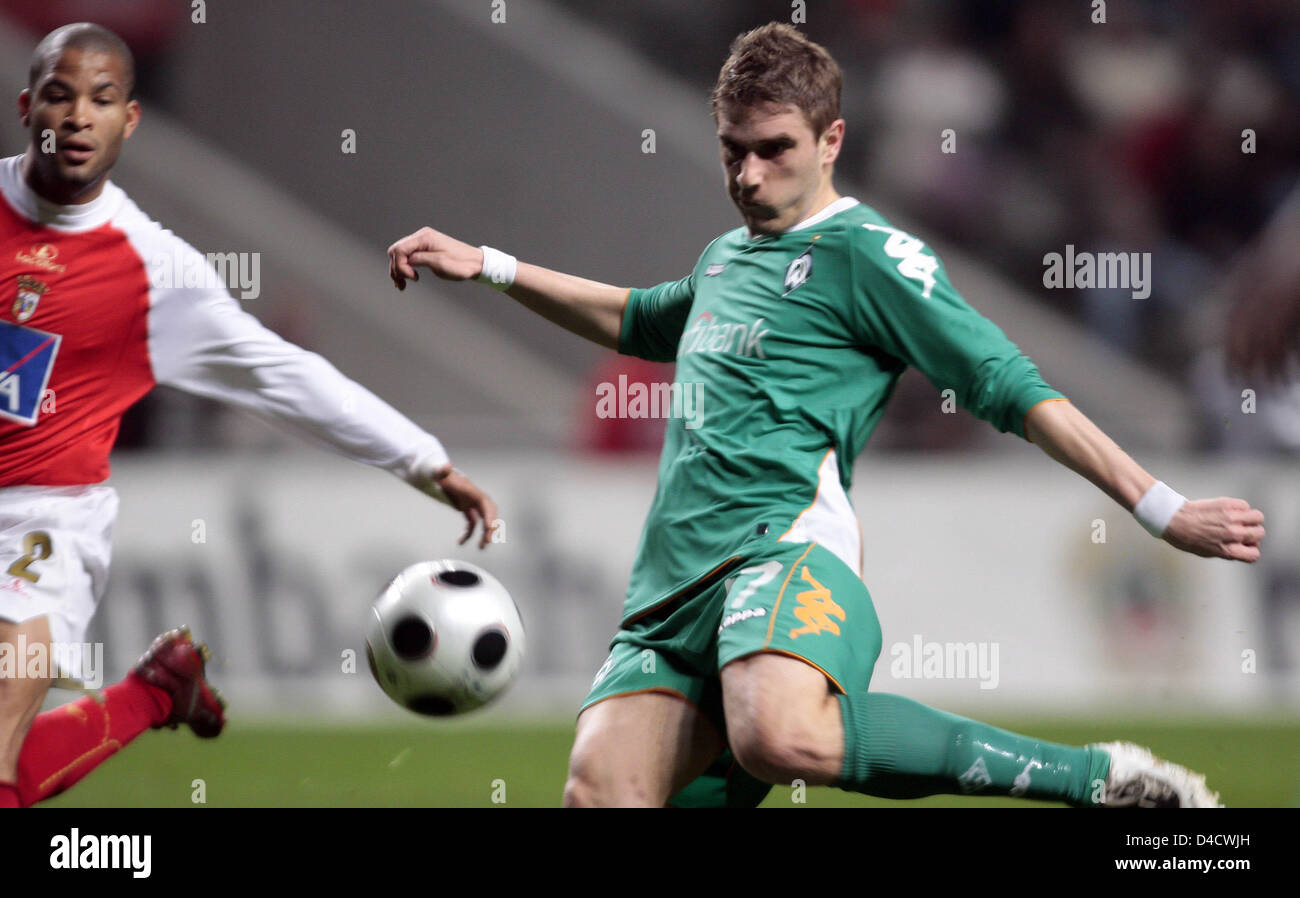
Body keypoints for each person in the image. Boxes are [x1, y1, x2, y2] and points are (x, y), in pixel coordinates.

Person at [387, 23, 1265, 808]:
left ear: (832, 139)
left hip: (782, 553)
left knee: (780, 736)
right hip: (667, 593)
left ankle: (1098, 782)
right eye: (733, 150)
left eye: (773, 149)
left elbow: (1011, 384)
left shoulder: (871, 256)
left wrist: (1161, 507)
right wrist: (493, 266)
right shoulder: (727, 257)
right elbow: (643, 317)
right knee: (598, 794)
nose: (747, 174)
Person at [0, 23, 497, 809]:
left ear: (130, 120)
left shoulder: (153, 270)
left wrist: (422, 459)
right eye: (59, 97)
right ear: (28, 107)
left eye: (100, 100)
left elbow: (284, 376)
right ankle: (157, 693)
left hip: (39, 530)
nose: (77, 118)